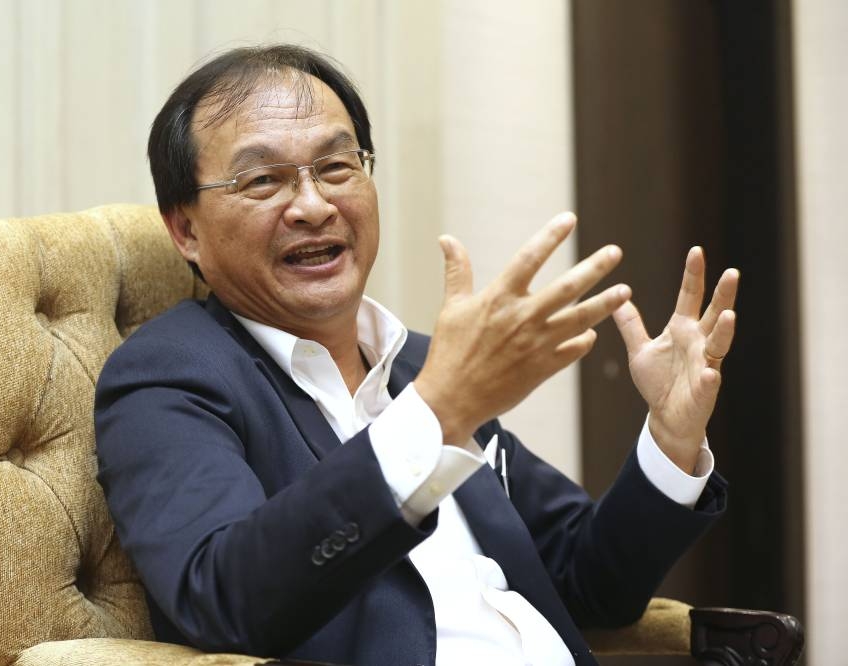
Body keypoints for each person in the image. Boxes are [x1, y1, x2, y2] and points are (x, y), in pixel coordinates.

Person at [95, 44, 737, 666]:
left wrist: (670, 439)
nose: (314, 206)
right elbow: (223, 597)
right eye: (263, 179)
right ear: (185, 230)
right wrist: (434, 415)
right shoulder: (169, 376)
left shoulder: (421, 367)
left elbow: (592, 582)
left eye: (338, 167)